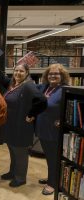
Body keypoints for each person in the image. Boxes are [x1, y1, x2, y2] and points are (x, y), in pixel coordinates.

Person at [0, 60, 47, 187]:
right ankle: (13, 172)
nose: (18, 73)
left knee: (20, 152)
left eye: (21, 71)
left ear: (27, 73)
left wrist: (31, 114)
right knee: (12, 150)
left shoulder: (28, 86)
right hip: (11, 126)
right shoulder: (13, 83)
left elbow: (42, 100)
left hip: (21, 127)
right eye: (16, 70)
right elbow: (3, 79)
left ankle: (20, 177)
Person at [35, 64, 70, 195]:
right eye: (50, 74)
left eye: (56, 74)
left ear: (62, 76)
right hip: (42, 128)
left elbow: (70, 108)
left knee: (53, 157)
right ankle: (52, 177)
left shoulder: (64, 89)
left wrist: (63, 120)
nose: (53, 76)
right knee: (49, 157)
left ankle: (53, 184)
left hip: (54, 131)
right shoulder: (44, 87)